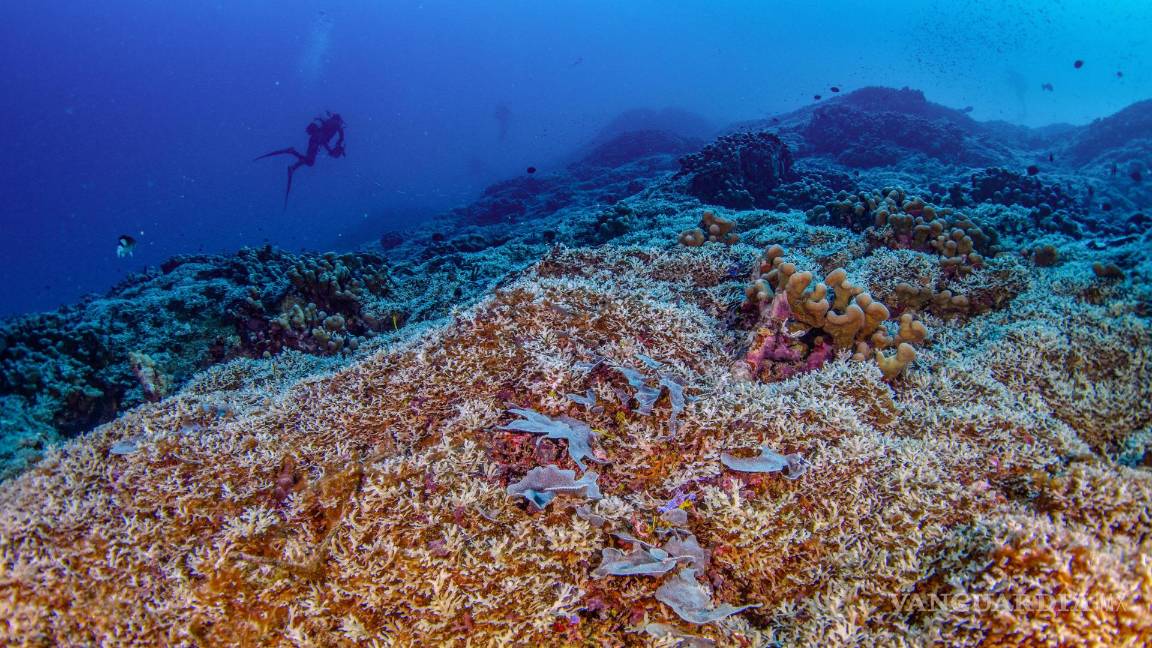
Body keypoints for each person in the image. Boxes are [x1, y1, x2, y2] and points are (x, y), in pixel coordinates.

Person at [255, 112, 346, 208]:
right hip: (317, 139)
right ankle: (292, 153)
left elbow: (324, 138)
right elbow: (339, 135)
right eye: (341, 122)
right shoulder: (335, 124)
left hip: (316, 139)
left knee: (310, 162)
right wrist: (338, 143)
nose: (341, 123)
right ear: (338, 120)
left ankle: (293, 166)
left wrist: (330, 150)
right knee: (310, 161)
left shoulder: (330, 124)